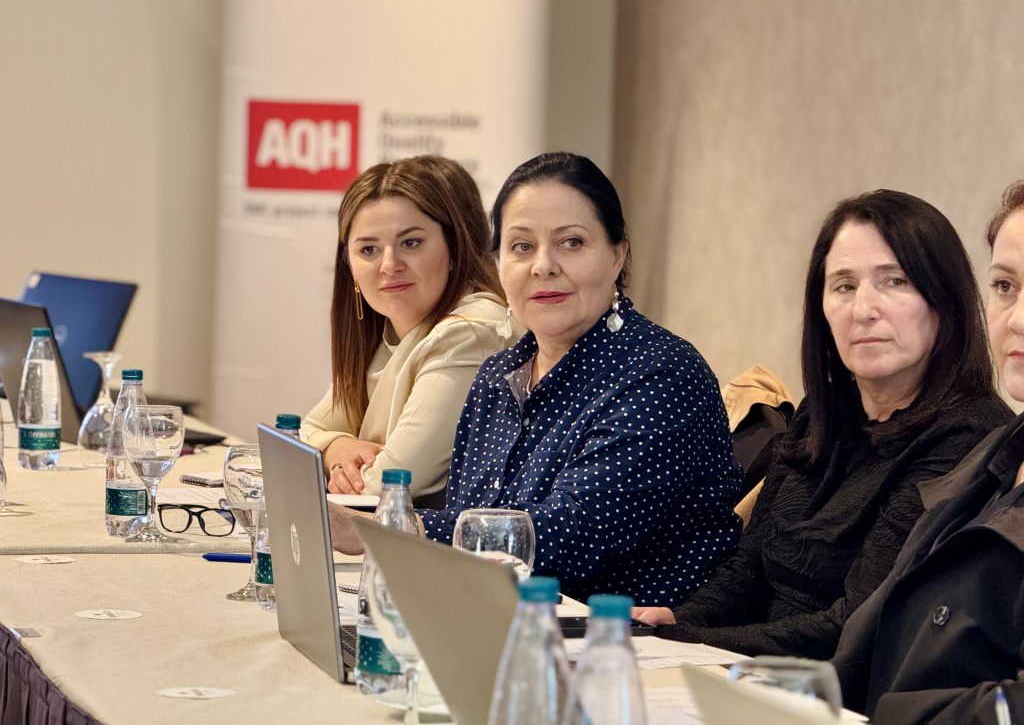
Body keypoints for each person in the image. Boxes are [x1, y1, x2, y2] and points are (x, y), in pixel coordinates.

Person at [330, 151, 743, 605]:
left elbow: (572, 537)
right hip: (494, 618)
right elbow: (471, 529)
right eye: (522, 247)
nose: (543, 265)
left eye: (571, 242)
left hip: (623, 635)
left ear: (617, 254)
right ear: (498, 263)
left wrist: (382, 529)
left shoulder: (661, 374)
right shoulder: (497, 377)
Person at [635, 189, 1012, 659]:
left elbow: (854, 624)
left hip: (837, 683)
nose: (863, 309)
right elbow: (750, 564)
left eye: (894, 281)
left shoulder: (969, 436)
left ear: (944, 299)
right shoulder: (824, 408)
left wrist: (690, 642)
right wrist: (680, 619)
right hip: (748, 669)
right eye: (844, 286)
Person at [831, 180, 1024, 724]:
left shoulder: (964, 433)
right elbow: (867, 639)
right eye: (1005, 286)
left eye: (894, 281)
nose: (1016, 319)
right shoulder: (993, 458)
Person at [301, 156, 520, 507]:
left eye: (411, 243)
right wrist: (336, 449)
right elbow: (306, 432)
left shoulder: (470, 333)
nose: (389, 265)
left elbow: (388, 485)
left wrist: (335, 463)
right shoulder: (390, 329)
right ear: (349, 265)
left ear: (454, 249)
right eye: (368, 249)